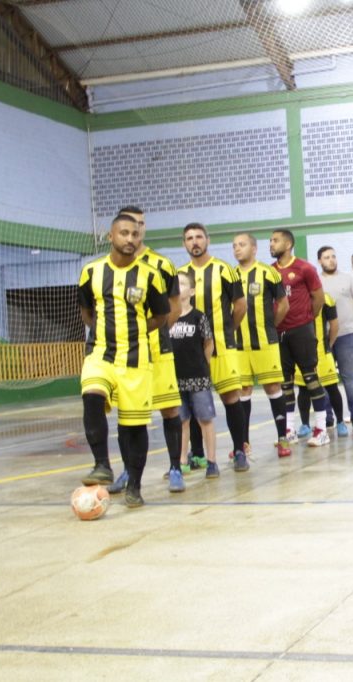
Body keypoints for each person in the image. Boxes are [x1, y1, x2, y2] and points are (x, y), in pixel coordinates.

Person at [78, 214, 170, 508]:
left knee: (133, 427)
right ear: (111, 236)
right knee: (91, 395)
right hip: (101, 353)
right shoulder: (91, 272)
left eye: (134, 234)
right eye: (123, 233)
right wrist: (105, 333)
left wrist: (137, 332)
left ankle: (135, 485)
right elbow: (86, 312)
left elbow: (161, 316)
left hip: (136, 358)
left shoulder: (150, 275)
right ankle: (102, 463)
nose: (130, 239)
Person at [105, 206, 185, 495]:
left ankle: (176, 467)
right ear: (115, 232)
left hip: (158, 348)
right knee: (128, 413)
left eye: (138, 227)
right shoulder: (106, 269)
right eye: (128, 227)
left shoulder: (162, 265)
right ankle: (128, 471)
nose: (133, 233)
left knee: (169, 408)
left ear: (143, 230)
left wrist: (154, 330)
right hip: (126, 354)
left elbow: (174, 307)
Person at [178, 223, 250, 471]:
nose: (194, 242)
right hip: (191, 353)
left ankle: (240, 450)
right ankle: (197, 456)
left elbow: (240, 305)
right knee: (194, 403)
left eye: (199, 237)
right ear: (184, 244)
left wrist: (227, 330)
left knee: (231, 398)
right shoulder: (180, 275)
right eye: (189, 238)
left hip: (222, 347)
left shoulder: (223, 270)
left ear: (207, 240)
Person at [270, 229, 331, 448]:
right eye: (270, 240)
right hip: (279, 333)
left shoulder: (304, 268)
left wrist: (306, 320)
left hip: (302, 331)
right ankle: (289, 429)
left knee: (310, 378)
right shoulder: (270, 272)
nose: (271, 244)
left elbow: (319, 298)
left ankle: (322, 429)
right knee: (285, 383)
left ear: (288, 245)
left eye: (275, 241)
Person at [233, 233, 290, 457]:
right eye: (234, 246)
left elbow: (283, 304)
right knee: (243, 390)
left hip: (266, 343)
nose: (237, 249)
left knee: (273, 387)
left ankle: (282, 438)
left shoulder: (268, 272)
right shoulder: (230, 274)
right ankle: (243, 443)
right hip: (238, 345)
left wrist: (271, 327)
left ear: (254, 248)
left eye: (242, 245)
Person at [169, 271, 219, 478]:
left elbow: (208, 343)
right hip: (174, 378)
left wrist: (201, 365)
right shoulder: (167, 318)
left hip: (198, 377)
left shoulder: (198, 316)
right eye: (175, 284)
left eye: (182, 284)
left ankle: (212, 462)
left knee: (205, 419)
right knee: (181, 421)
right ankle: (181, 462)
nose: (177, 287)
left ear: (191, 291)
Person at [318, 246, 353, 432]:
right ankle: (329, 418)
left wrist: (346, 319)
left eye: (333, 257)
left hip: (346, 334)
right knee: (327, 378)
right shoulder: (316, 281)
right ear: (320, 262)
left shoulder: (348, 278)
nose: (331, 260)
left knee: (348, 376)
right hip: (323, 337)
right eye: (326, 257)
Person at [293, 293, 346, 434]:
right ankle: (305, 425)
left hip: (323, 352)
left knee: (332, 387)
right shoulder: (295, 296)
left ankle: (340, 422)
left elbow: (334, 324)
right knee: (303, 390)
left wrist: (328, 345)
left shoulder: (325, 298)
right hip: (301, 352)